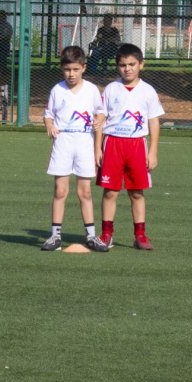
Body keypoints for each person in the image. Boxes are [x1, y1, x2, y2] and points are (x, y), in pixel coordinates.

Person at [94, 43, 164, 250]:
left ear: (141, 65)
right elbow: (101, 118)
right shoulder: (111, 89)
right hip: (113, 143)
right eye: (123, 65)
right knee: (110, 192)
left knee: (136, 192)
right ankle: (106, 234)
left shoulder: (148, 91)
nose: (128, 69)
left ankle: (140, 235)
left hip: (137, 145)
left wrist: (153, 151)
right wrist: (97, 148)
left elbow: (153, 122)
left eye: (132, 64)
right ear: (118, 67)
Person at [41, 45, 108, 253]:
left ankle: (91, 235)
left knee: (85, 191)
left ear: (83, 68)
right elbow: (48, 114)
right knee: (60, 190)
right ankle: (55, 235)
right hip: (63, 142)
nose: (71, 74)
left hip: (84, 142)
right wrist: (50, 125)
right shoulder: (57, 89)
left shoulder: (91, 90)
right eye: (67, 70)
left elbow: (101, 112)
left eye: (75, 69)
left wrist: (99, 124)